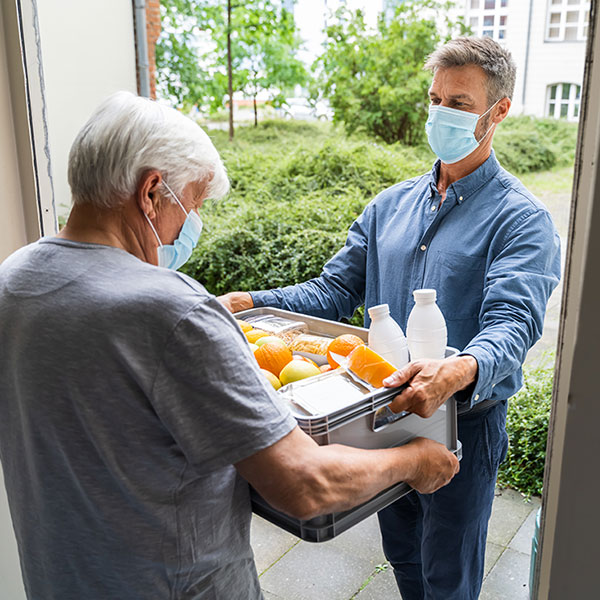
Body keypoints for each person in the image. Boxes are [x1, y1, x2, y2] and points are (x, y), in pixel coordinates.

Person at [0, 91, 459, 600]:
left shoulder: (13, 280)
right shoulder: (171, 310)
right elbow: (306, 485)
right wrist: (416, 458)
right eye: (192, 204)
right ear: (151, 192)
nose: (191, 224)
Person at [219, 37, 562, 600]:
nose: (440, 113)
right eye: (434, 98)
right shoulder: (388, 207)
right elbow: (331, 292)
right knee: (402, 555)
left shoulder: (519, 220)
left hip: (461, 424)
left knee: (448, 574)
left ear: (497, 111)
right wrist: (251, 302)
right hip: (380, 413)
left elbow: (513, 322)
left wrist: (457, 371)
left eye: (458, 101)